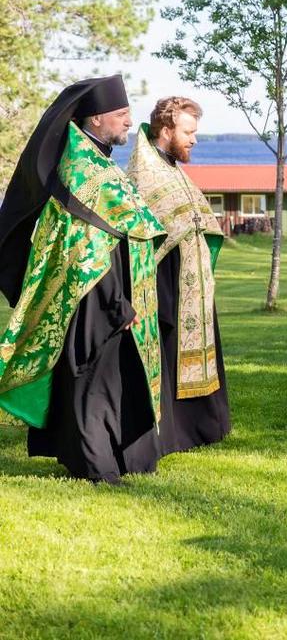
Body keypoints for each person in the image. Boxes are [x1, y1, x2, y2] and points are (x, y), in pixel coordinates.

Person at [0, 74, 166, 483]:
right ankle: (95, 464)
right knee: (92, 378)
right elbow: (89, 243)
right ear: (95, 121)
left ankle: (115, 457)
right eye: (121, 115)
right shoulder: (82, 169)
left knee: (109, 375)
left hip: (106, 292)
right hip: (94, 293)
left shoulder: (95, 160)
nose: (130, 122)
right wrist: (116, 302)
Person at [126, 97, 231, 454]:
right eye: (188, 132)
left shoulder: (172, 168)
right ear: (166, 130)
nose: (194, 140)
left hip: (193, 279)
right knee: (170, 350)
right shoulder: (146, 173)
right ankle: (174, 432)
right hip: (166, 279)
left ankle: (201, 427)